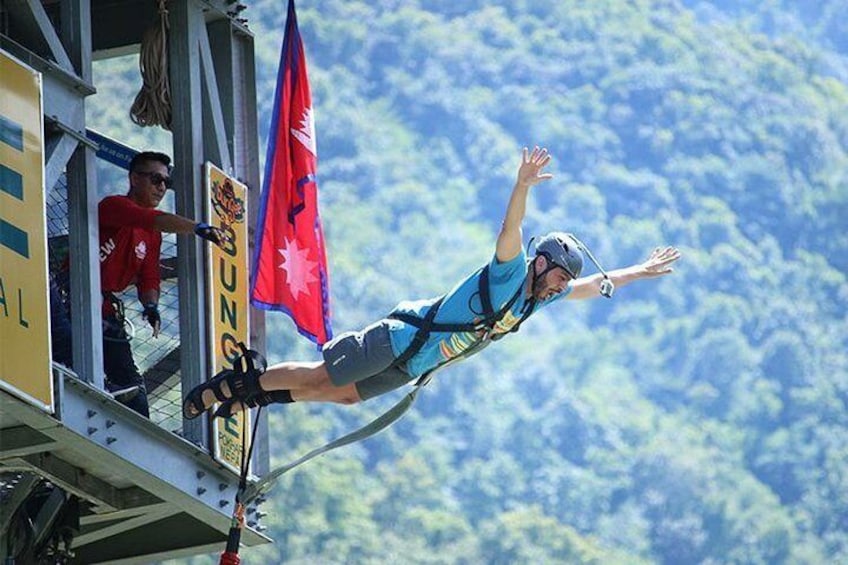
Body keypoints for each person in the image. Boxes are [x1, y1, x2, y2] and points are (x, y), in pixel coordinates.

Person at [183, 146, 681, 419]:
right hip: (404, 337)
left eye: (562, 280)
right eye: (557, 273)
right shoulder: (509, 274)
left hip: (415, 363)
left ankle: (258, 395)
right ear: (540, 262)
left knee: (344, 395)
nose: (560, 284)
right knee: (323, 376)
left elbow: (597, 284)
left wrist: (640, 269)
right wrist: (520, 186)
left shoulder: (537, 303)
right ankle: (231, 385)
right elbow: (510, 231)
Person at [99, 151, 227, 417]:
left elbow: (149, 276)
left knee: (134, 392)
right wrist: (199, 228)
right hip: (71, 300)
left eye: (166, 183)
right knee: (71, 359)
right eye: (156, 179)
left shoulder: (152, 235)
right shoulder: (114, 207)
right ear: (134, 178)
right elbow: (152, 219)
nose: (161, 187)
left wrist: (151, 305)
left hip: (105, 313)